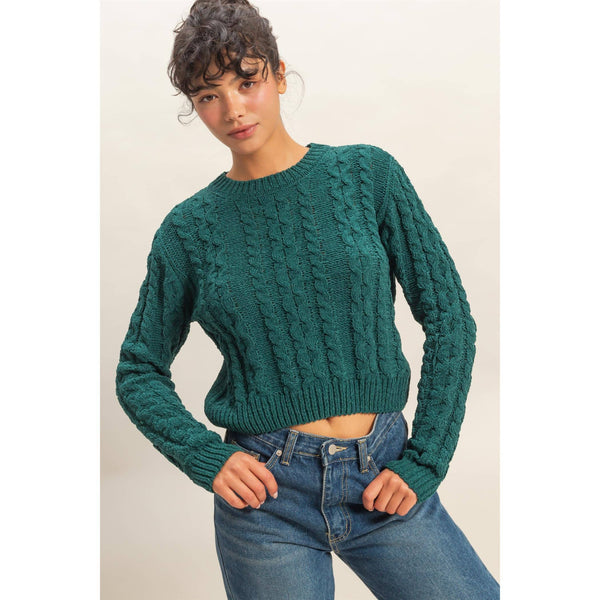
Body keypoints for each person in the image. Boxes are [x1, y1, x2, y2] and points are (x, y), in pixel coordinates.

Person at [115, 0, 500, 598]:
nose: (232, 109)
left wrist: (426, 457)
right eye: (209, 95)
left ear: (278, 74)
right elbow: (138, 369)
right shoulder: (188, 231)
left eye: (247, 81)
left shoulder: (366, 176)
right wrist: (205, 457)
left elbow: (449, 317)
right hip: (266, 497)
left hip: (383, 473)